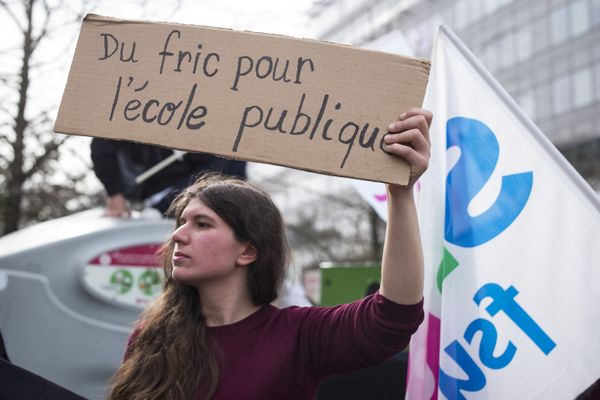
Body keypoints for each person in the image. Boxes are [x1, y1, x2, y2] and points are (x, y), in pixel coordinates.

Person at [107, 108, 432, 400]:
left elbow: (392, 318)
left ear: (247, 251)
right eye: (181, 223)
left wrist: (400, 192)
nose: (178, 234)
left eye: (202, 224)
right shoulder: (150, 338)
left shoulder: (298, 336)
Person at [90, 138, 247, 217]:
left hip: (193, 183)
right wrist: (115, 194)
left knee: (234, 153)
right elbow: (101, 147)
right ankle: (160, 210)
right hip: (162, 192)